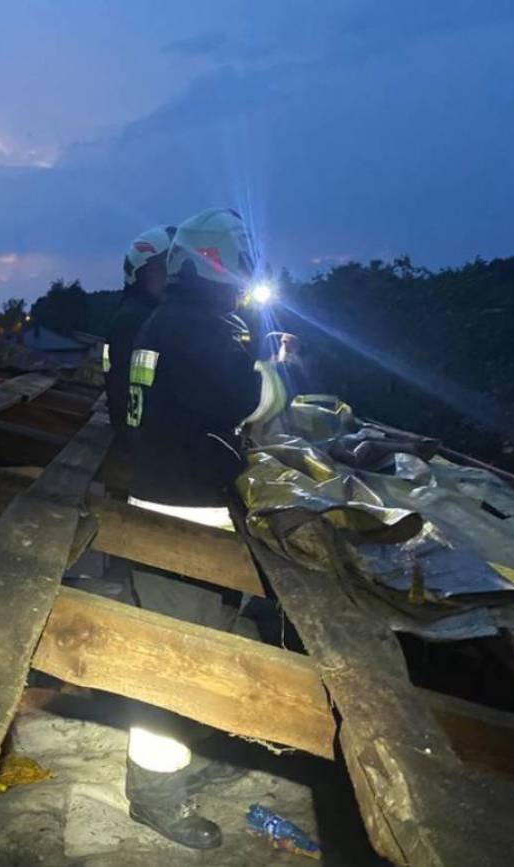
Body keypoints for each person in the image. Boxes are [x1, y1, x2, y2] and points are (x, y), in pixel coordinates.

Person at [115, 208, 293, 850]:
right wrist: (279, 370)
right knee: (172, 665)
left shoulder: (168, 319)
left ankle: (191, 744)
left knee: (199, 642)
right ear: (224, 261)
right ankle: (156, 799)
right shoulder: (194, 327)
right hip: (182, 510)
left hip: (165, 499)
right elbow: (250, 400)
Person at [103, 225, 175, 445]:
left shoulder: (140, 313)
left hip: (137, 433)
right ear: (139, 272)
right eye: (162, 269)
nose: (170, 278)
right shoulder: (136, 320)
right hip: (144, 441)